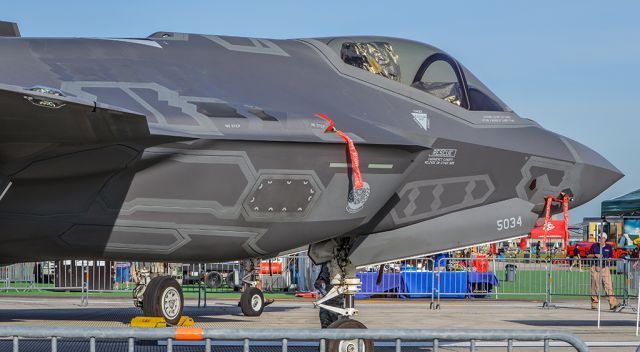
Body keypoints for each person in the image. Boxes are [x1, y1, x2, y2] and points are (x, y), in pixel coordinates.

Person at [587, 233, 619, 310]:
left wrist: (609, 259)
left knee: (608, 286)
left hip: (605, 268)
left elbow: (611, 256)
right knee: (594, 287)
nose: (599, 239)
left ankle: (613, 304)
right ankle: (594, 304)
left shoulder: (608, 247)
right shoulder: (594, 246)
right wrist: (595, 255)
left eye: (601, 237)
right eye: (599, 237)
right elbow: (588, 255)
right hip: (595, 267)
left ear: (605, 239)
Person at [314, 263, 343, 328]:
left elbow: (333, 265)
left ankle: (332, 330)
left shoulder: (335, 256)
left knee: (332, 309)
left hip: (336, 285)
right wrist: (321, 278)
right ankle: (328, 329)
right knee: (325, 310)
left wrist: (322, 278)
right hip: (331, 285)